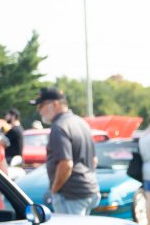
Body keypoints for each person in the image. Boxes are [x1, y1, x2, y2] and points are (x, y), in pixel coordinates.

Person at [30, 85, 99, 216]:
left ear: (55, 104)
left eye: (41, 106)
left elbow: (66, 164)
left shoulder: (59, 126)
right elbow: (94, 160)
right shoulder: (81, 122)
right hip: (88, 190)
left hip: (71, 195)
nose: (39, 110)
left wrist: (54, 190)